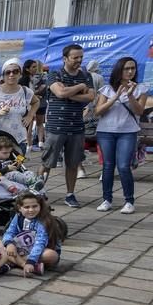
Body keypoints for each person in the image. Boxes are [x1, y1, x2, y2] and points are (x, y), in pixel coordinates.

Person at [43, 45, 96, 208]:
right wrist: (79, 88)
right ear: (65, 59)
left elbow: (91, 96)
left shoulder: (86, 75)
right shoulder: (55, 74)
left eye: (81, 57)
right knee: (47, 162)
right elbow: (60, 93)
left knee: (73, 163)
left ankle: (70, 194)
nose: (79, 60)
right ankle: (39, 191)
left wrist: (69, 93)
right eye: (75, 57)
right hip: (55, 126)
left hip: (77, 127)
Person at [94, 56, 148, 214]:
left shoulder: (141, 88)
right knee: (108, 166)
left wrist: (130, 95)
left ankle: (129, 201)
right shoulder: (107, 89)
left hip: (128, 131)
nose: (130, 71)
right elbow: (98, 111)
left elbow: (139, 111)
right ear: (119, 70)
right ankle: (107, 199)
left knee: (124, 166)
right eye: (126, 68)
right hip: (106, 131)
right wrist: (116, 96)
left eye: (133, 68)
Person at [1, 190, 63, 277]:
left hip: (41, 250)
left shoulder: (43, 221)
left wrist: (31, 261)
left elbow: (40, 243)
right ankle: (25, 265)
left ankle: (11, 262)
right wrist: (9, 244)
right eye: (27, 207)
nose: (31, 210)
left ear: (40, 206)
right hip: (23, 248)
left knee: (52, 255)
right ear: (19, 208)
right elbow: (9, 232)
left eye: (35, 206)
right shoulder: (18, 216)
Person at [0, 59, 38, 154]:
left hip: (19, 139)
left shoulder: (25, 91)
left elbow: (36, 102)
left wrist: (30, 116)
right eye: (8, 72)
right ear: (3, 76)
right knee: (0, 168)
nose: (11, 75)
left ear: (20, 74)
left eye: (15, 71)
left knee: (18, 167)